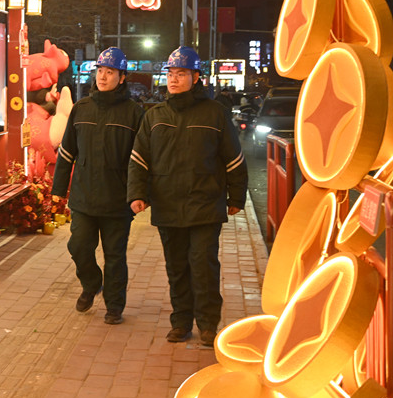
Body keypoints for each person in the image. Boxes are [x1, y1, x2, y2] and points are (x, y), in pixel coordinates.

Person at [127, 46, 248, 346]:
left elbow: (234, 159)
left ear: (196, 77)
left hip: (206, 203)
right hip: (168, 204)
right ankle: (181, 321)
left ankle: (208, 323)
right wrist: (137, 194)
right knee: (177, 266)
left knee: (203, 265)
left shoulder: (215, 114)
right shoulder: (154, 115)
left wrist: (236, 197)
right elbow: (139, 159)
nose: (174, 79)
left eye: (181, 73)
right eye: (171, 73)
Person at [52, 47, 144, 325]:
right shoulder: (82, 108)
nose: (103, 77)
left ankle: (115, 306)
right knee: (78, 246)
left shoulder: (134, 113)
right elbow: (67, 152)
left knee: (115, 256)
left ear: (122, 77)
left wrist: (139, 194)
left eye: (110, 72)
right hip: (84, 197)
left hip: (118, 201)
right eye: (100, 71)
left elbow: (140, 159)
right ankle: (91, 283)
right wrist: (58, 191)